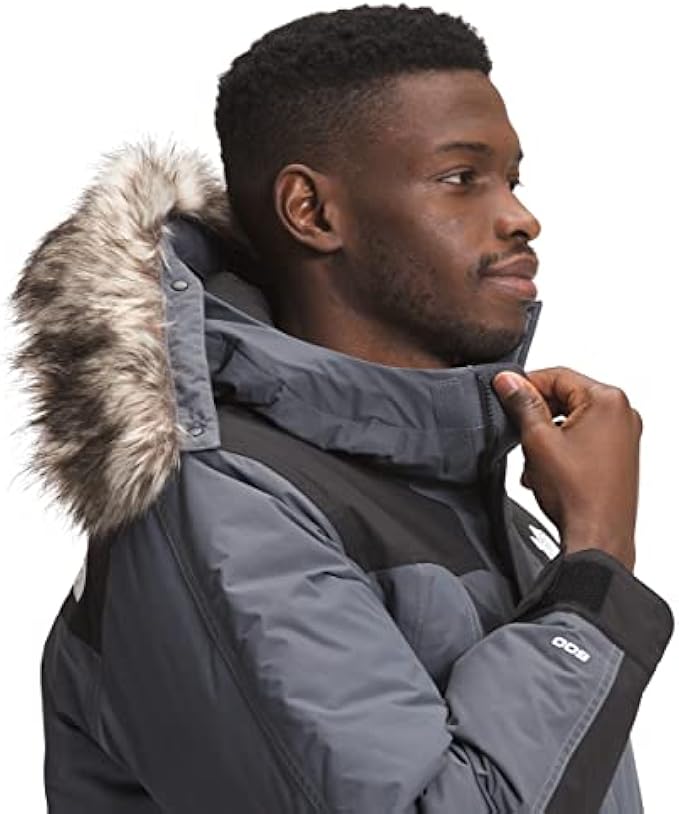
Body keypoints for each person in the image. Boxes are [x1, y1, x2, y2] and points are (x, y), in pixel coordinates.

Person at [11, 5, 672, 813]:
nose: (519, 218)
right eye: (460, 179)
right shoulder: (221, 504)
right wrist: (596, 562)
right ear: (312, 211)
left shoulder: (459, 493)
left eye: (512, 180)